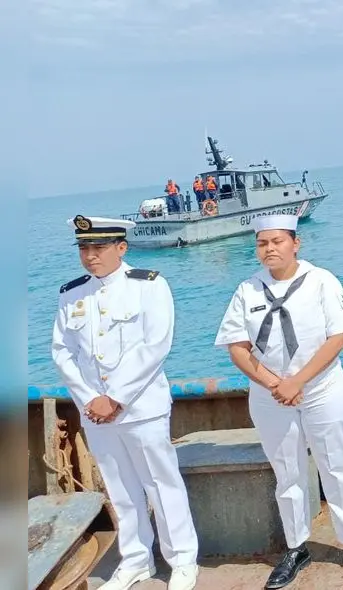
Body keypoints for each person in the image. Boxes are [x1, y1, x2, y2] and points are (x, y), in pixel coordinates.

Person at [213, 214, 343, 587]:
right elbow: (237, 348)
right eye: (262, 243)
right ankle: (296, 546)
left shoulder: (321, 281)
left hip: (321, 390)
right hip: (271, 396)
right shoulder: (247, 290)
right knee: (287, 472)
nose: (269, 249)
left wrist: (298, 381)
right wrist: (276, 384)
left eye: (277, 241)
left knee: (336, 466)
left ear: (295, 243)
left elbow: (338, 337)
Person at [51, 215, 200, 590]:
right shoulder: (72, 293)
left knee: (160, 483)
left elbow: (156, 346)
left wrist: (114, 397)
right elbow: (63, 353)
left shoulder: (149, 286)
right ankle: (135, 560)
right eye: (84, 248)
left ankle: (182, 560)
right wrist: (90, 400)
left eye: (98, 248)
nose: (90, 256)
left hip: (141, 407)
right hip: (96, 414)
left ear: (121, 247)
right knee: (120, 488)